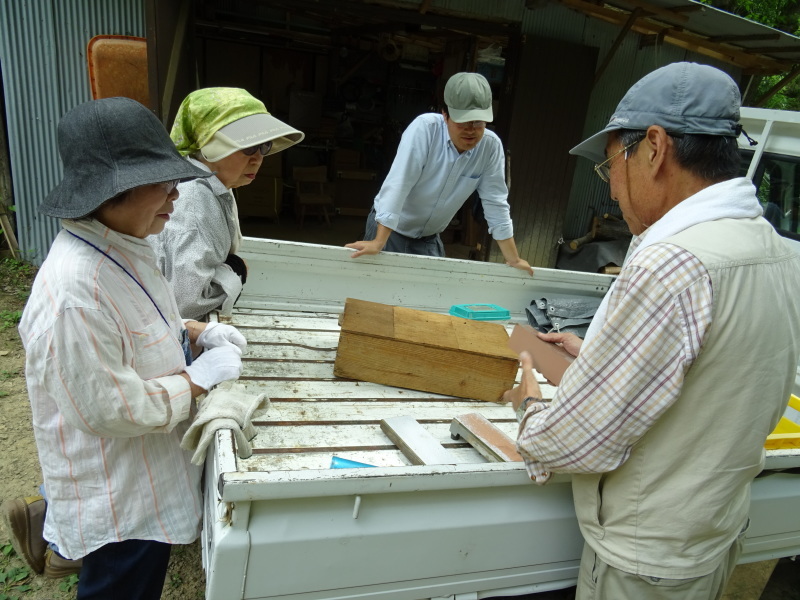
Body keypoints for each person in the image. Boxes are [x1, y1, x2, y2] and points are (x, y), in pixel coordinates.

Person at [503, 62, 800, 600]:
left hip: (644, 561)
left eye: (611, 165)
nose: (612, 189)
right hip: (711, 536)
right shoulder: (777, 251)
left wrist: (529, 405)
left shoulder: (673, 263)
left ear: (655, 148)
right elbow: (716, 372)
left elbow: (578, 442)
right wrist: (600, 357)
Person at [6, 97, 248, 598]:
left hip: (145, 474)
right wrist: (199, 379)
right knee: (122, 584)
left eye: (174, 181)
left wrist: (197, 334)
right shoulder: (76, 294)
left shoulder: (124, 242)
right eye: (159, 184)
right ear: (108, 192)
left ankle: (51, 531)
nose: (174, 197)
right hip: (120, 497)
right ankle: (60, 535)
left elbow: (142, 320)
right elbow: (110, 409)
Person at [345, 72, 533, 275]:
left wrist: (513, 259)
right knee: (378, 296)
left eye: (478, 122)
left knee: (426, 300)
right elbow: (399, 184)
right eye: (463, 121)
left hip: (429, 237)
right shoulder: (425, 129)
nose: (471, 130)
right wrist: (378, 242)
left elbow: (496, 203)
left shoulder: (491, 147)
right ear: (445, 114)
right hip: (389, 231)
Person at [152, 87, 305, 320]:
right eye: (248, 147)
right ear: (209, 145)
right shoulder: (193, 201)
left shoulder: (215, 184)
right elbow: (187, 304)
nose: (258, 159)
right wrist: (234, 271)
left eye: (264, 147)